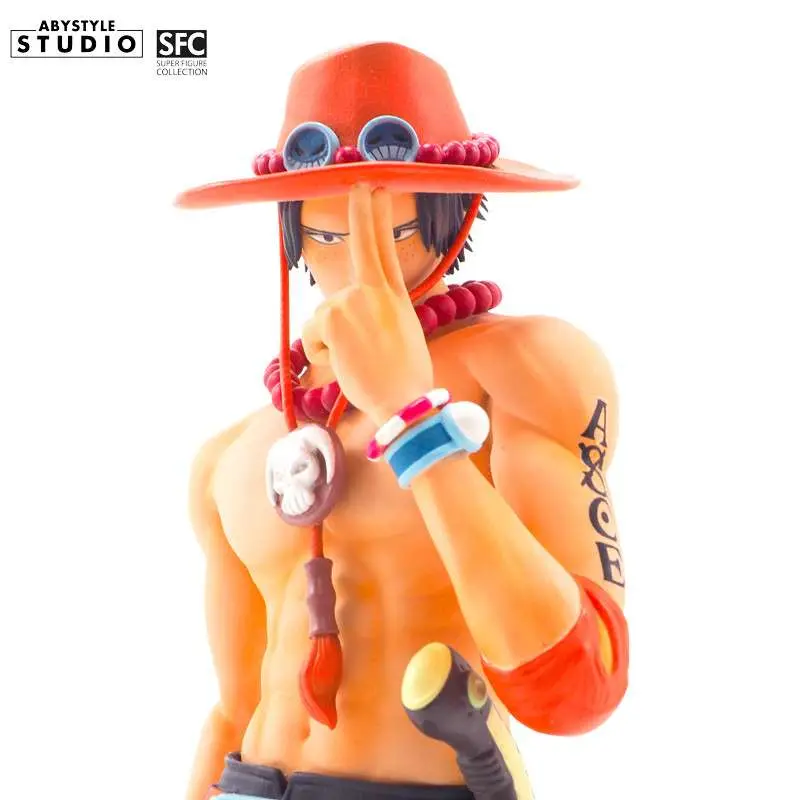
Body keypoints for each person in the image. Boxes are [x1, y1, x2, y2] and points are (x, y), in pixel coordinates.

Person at [177, 41, 629, 800]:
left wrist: (413, 415)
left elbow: (580, 684)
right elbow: (233, 708)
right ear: (290, 228)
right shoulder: (229, 457)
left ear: (457, 211)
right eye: (328, 233)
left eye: (393, 231)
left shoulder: (524, 368)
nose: (359, 262)